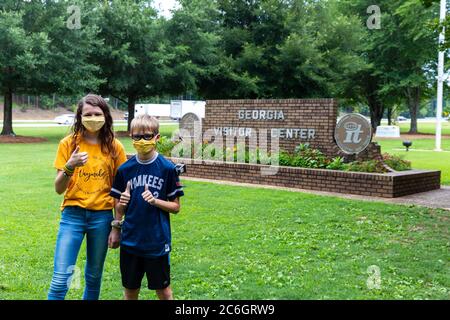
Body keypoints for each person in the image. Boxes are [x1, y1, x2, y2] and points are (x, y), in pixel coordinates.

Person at [48, 94, 127, 300]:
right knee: (60, 280)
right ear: (80, 117)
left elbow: (121, 190)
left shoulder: (115, 147)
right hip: (72, 216)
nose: (93, 118)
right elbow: (58, 188)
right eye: (88, 114)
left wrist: (116, 225)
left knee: (93, 278)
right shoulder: (68, 144)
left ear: (106, 116)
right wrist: (70, 166)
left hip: (101, 218)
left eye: (97, 114)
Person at [109, 114, 184, 300]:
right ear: (131, 137)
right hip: (130, 242)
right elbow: (117, 207)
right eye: (137, 137)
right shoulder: (124, 170)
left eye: (147, 136)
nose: (142, 141)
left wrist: (155, 201)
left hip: (157, 242)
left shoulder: (167, 168)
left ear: (157, 137)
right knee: (130, 291)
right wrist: (119, 216)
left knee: (164, 292)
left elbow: (176, 207)